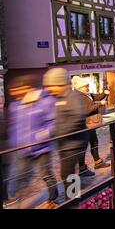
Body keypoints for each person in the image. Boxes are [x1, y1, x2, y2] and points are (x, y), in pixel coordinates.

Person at [6, 75, 58, 208]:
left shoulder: (46, 101)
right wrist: (15, 141)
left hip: (42, 148)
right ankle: (14, 200)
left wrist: (38, 137)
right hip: (22, 149)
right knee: (17, 175)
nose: (13, 92)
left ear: (27, 88)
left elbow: (53, 123)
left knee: (46, 174)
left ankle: (53, 198)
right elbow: (15, 125)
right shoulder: (16, 104)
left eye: (17, 89)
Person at [43, 68, 89, 201]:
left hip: (74, 144)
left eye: (52, 86)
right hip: (65, 144)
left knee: (67, 174)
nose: (50, 89)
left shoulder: (73, 97)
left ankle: (73, 200)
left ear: (60, 83)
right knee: (67, 173)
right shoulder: (60, 97)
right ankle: (73, 198)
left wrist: (55, 132)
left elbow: (78, 117)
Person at [72, 77, 110, 174]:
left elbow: (97, 97)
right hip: (84, 124)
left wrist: (104, 93)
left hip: (89, 123)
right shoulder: (78, 96)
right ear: (80, 87)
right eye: (86, 86)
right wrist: (100, 104)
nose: (88, 87)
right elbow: (86, 110)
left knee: (94, 141)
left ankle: (97, 162)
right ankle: (82, 168)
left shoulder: (86, 94)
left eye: (88, 86)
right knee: (84, 146)